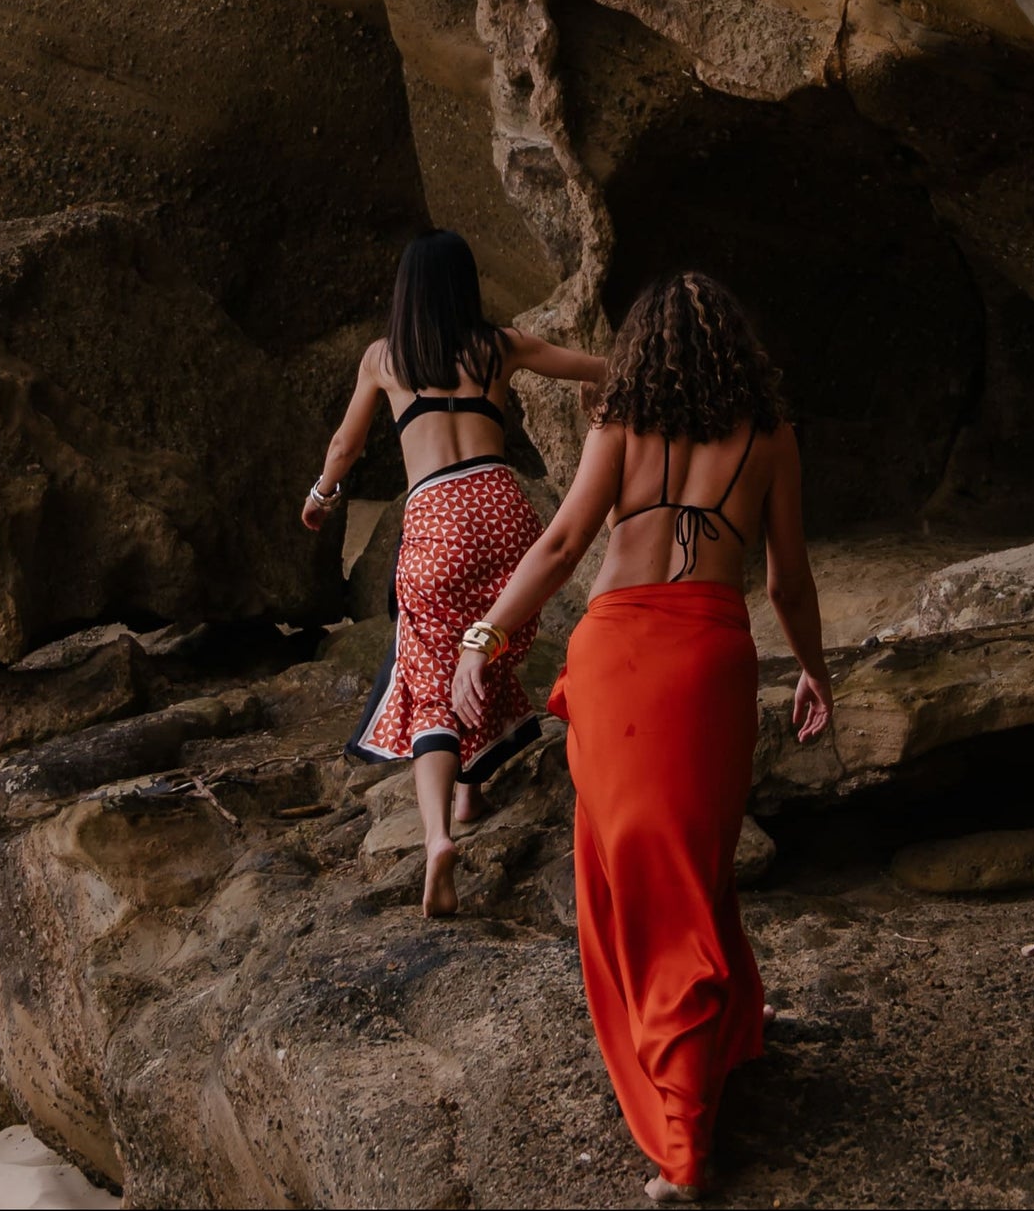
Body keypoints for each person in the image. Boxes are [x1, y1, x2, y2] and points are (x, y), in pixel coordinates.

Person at [449, 271, 834, 1204]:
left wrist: (482, 637)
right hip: (708, 660)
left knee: (639, 876)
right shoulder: (773, 439)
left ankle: (684, 1141)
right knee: (691, 861)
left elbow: (561, 545)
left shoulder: (618, 428)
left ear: (644, 352)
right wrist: (817, 668)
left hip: (620, 657)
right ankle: (731, 1024)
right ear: (736, 350)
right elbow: (787, 581)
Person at [306, 230, 609, 918]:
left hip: (437, 516)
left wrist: (321, 496)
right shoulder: (497, 346)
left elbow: (344, 444)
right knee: (489, 639)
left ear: (405, 290)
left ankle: (439, 835)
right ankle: (472, 786)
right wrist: (605, 413)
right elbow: (601, 368)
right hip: (504, 510)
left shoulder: (384, 359)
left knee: (431, 674)